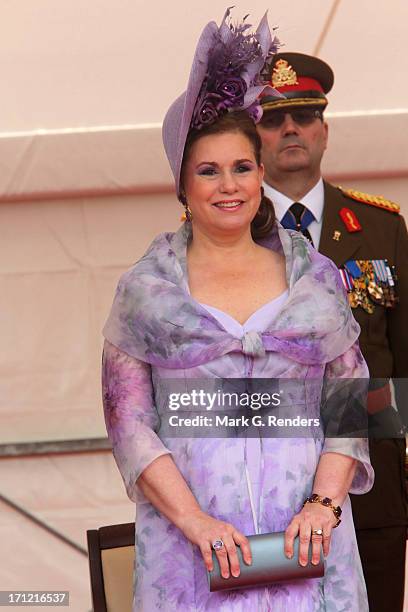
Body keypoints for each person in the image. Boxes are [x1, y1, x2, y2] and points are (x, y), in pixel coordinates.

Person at [102, 13, 373, 611]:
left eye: (242, 167)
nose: (229, 185)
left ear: (260, 173)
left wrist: (324, 506)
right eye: (208, 170)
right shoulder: (145, 294)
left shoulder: (317, 281)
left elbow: (355, 402)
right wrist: (196, 523)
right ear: (183, 184)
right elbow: (129, 426)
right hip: (190, 552)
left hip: (311, 549)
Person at [257, 51, 408, 611]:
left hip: (370, 480)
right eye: (272, 118)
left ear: (324, 129)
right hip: (266, 474)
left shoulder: (380, 226)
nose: (290, 128)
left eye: (303, 114)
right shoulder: (225, 231)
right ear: (254, 137)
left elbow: (402, 364)